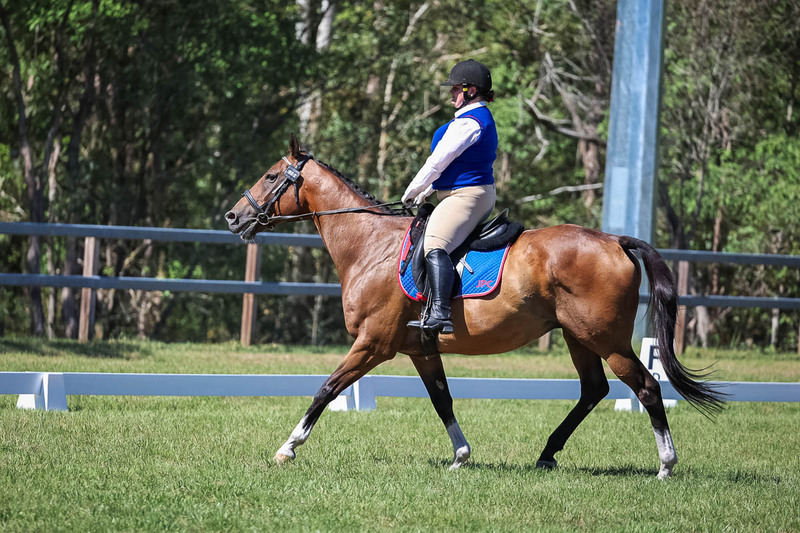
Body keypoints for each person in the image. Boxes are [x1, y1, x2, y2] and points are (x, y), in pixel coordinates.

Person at [401, 59, 498, 334]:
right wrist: (429, 190)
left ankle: (440, 314)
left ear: (470, 90)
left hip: (467, 195)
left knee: (435, 244)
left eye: (455, 88)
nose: (451, 93)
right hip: (463, 192)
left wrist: (413, 190)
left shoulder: (469, 123)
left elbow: (437, 162)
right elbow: (454, 166)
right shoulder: (468, 119)